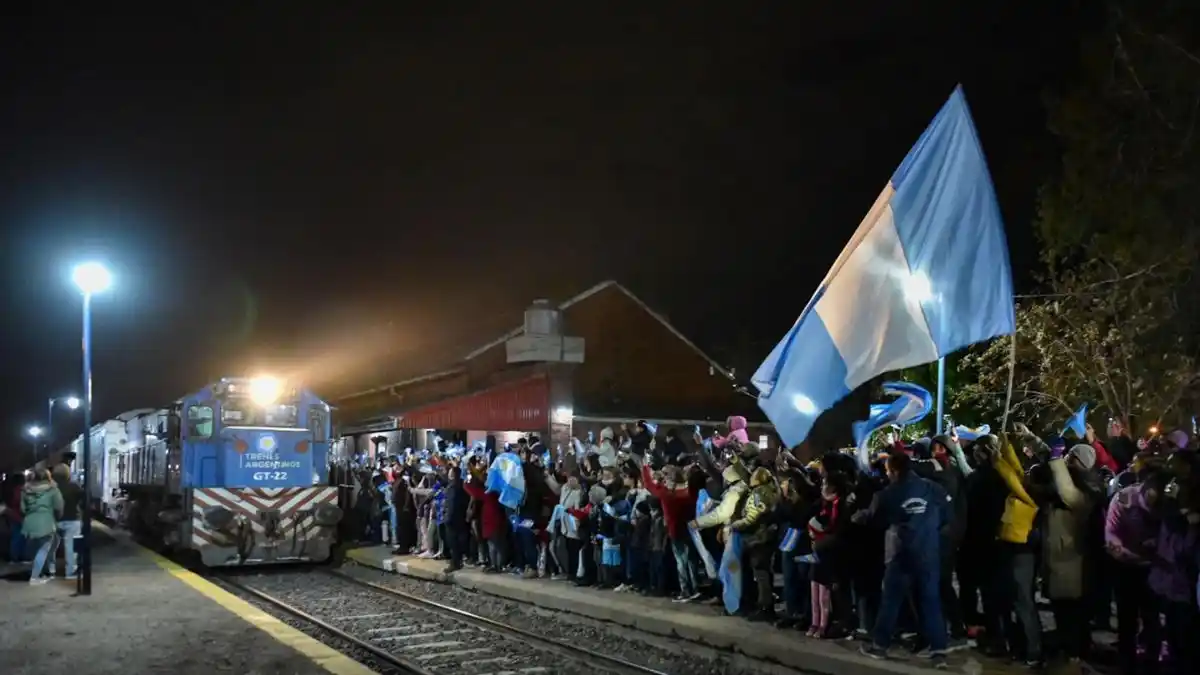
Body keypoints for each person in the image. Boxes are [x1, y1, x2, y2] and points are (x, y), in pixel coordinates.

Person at [855, 452, 950, 670]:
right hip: (929, 552)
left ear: (895, 471)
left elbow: (875, 521)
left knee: (891, 600)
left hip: (902, 554)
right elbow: (947, 516)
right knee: (931, 601)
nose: (887, 475)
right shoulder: (933, 488)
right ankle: (939, 652)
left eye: (888, 471)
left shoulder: (888, 494)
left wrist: (861, 517)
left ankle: (880, 646)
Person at [22, 468, 63, 585]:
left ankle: (42, 571)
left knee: (36, 550)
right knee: (43, 550)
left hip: (29, 523)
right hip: (46, 522)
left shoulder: (26, 490)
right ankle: (35, 577)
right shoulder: (53, 490)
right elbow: (59, 506)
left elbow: (22, 508)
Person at [48, 465, 84, 578]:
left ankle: (50, 570)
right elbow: (84, 498)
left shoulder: (50, 487)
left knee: (51, 546)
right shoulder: (74, 486)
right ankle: (70, 571)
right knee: (71, 547)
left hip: (53, 519)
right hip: (72, 519)